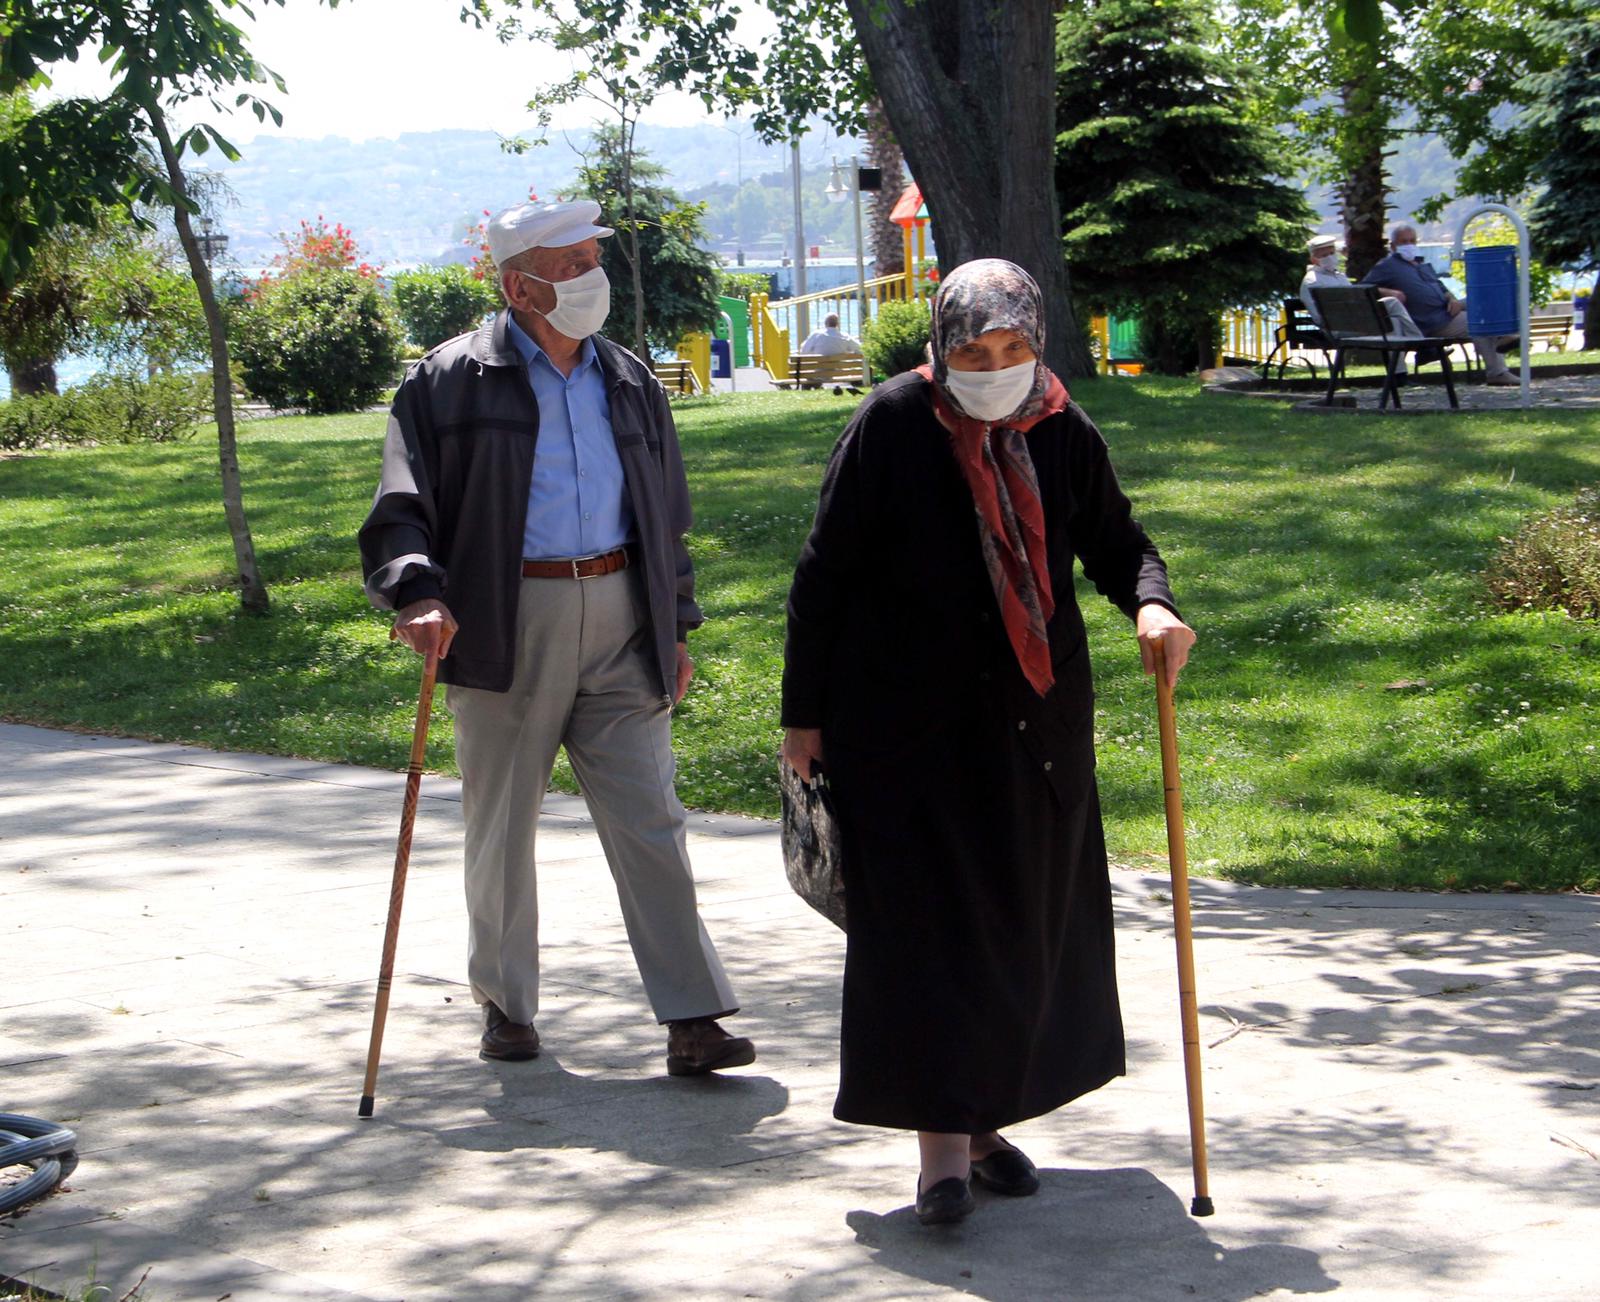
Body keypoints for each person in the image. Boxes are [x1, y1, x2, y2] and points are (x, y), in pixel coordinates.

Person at [780, 259, 1196, 1226]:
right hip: (902, 723)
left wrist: (1152, 605)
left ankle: (985, 1121)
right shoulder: (891, 423)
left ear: (1036, 341)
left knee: (1017, 929)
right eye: (973, 351)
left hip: (1032, 723)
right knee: (927, 933)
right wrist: (805, 717)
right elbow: (823, 576)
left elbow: (1119, 541)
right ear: (940, 348)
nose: (994, 366)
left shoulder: (1059, 424)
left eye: (1012, 348)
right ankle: (941, 1158)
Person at [358, 199, 755, 1077]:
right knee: (501, 827)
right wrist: (416, 594)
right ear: (518, 285)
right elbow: (400, 505)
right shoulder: (446, 381)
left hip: (621, 614)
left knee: (652, 821)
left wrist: (676, 623)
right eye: (571, 265)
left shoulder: (628, 377)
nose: (591, 278)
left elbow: (667, 515)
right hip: (505, 620)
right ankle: (505, 1004)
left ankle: (693, 1016)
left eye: (591, 260)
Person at [1361, 223, 1519, 386]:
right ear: (1393, 246)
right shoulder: (1387, 266)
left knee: (1483, 296)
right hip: (1432, 321)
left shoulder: (1421, 264)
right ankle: (1498, 370)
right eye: (1403, 242)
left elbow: (1440, 286)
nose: (1409, 245)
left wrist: (1451, 299)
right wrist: (1390, 292)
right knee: (1480, 323)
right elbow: (1362, 287)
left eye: (1412, 241)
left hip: (1448, 311)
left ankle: (1505, 334)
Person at [1300, 233, 1423, 376]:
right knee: (1391, 318)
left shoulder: (1339, 276)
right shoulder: (1312, 281)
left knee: (1393, 314)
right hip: (1338, 328)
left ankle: (1399, 375)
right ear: (1314, 259)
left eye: (1332, 253)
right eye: (1324, 255)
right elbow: (1319, 316)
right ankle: (1422, 346)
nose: (1330, 257)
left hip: (1357, 322)